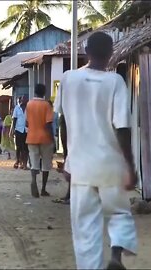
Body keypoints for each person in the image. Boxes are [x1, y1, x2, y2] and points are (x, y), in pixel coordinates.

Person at [54, 32, 137, 269]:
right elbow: (123, 128)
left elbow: (63, 122)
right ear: (111, 54)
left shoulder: (68, 79)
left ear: (86, 52)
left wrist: (68, 159)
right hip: (110, 164)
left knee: (84, 228)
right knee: (119, 213)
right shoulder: (115, 82)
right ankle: (115, 257)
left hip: (81, 167)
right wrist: (130, 166)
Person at [25, 84, 54, 198]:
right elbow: (48, 124)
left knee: (34, 162)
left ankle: (33, 181)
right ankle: (43, 189)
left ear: (35, 92)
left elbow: (27, 122)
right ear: (44, 92)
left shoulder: (29, 104)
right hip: (45, 138)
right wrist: (52, 138)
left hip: (31, 137)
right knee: (46, 165)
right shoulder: (47, 105)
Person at [10, 96, 29, 170]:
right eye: (24, 100)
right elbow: (14, 119)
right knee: (18, 147)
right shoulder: (16, 108)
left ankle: (24, 163)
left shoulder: (28, 108)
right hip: (18, 130)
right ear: (21, 100)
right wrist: (13, 130)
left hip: (26, 130)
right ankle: (18, 161)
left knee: (26, 148)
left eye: (26, 100)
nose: (26, 101)